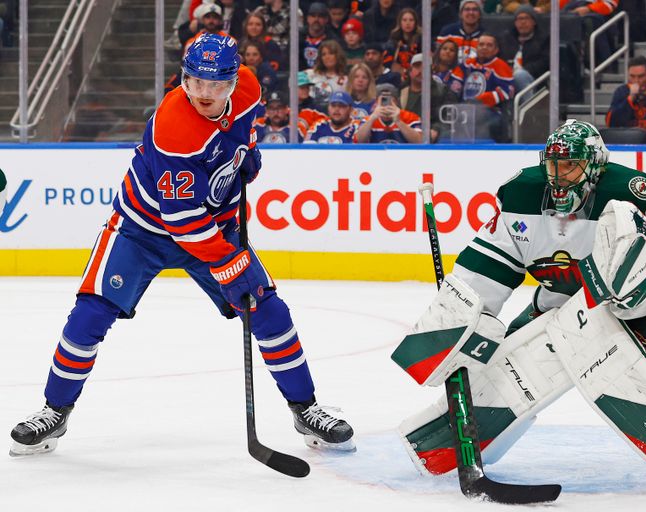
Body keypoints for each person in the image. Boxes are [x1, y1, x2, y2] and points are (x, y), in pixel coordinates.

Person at [8, 34, 355, 457]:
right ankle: (54, 411)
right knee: (89, 314)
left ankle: (306, 408)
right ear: (183, 79)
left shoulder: (248, 89)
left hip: (213, 223)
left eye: (215, 85)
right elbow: (183, 223)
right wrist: (230, 261)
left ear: (233, 81)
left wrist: (246, 155)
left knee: (269, 310)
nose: (204, 94)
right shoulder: (173, 128)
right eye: (195, 82)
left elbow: (240, 135)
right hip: (143, 228)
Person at [392, 119, 646, 493]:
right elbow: (484, 271)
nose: (559, 176)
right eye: (553, 165)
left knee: (604, 351)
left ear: (594, 167)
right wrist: (456, 323)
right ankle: (444, 447)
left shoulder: (631, 195)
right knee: (514, 363)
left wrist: (620, 303)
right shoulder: (521, 195)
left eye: (570, 165)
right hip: (561, 304)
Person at [453, 32, 514, 141]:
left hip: (491, 111)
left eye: (489, 45)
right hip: (464, 110)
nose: (484, 47)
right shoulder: (468, 64)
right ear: (476, 47)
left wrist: (480, 100)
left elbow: (507, 91)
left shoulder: (501, 66)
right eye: (481, 44)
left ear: (496, 50)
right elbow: (455, 82)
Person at [400, 53, 459, 142]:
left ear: (431, 71)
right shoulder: (400, 91)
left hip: (431, 140)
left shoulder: (443, 91)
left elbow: (449, 116)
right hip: (403, 138)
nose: (421, 71)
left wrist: (436, 129)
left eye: (425, 67)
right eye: (417, 67)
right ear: (410, 70)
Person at [498, 4, 549, 94]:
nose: (523, 22)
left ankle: (529, 106)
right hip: (507, 76)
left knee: (520, 75)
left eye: (527, 18)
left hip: (534, 78)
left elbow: (545, 62)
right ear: (515, 22)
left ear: (534, 21)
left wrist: (525, 69)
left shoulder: (544, 39)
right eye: (520, 19)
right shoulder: (507, 38)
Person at [355, 83, 423, 143]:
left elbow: (420, 142)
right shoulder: (369, 119)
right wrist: (371, 119)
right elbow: (358, 141)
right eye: (383, 101)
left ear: (396, 102)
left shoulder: (410, 117)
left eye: (390, 101)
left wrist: (399, 122)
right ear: (376, 102)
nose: (387, 105)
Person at [606, 56, 646, 129]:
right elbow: (610, 122)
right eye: (632, 76)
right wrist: (630, 98)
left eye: (641, 76)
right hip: (626, 138)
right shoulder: (621, 91)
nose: (636, 80)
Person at [305, 39, 349, 107]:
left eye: (331, 53)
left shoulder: (345, 80)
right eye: (323, 54)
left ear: (337, 56)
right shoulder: (310, 74)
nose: (327, 57)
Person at [299, 2, 337, 70]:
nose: (316, 19)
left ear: (326, 19)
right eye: (313, 16)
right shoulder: (298, 37)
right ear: (308, 18)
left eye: (320, 16)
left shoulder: (332, 39)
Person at [387, 8, 422, 75]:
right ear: (400, 22)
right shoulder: (394, 38)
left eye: (411, 20)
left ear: (416, 22)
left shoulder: (421, 39)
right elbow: (388, 60)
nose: (408, 23)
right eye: (404, 20)